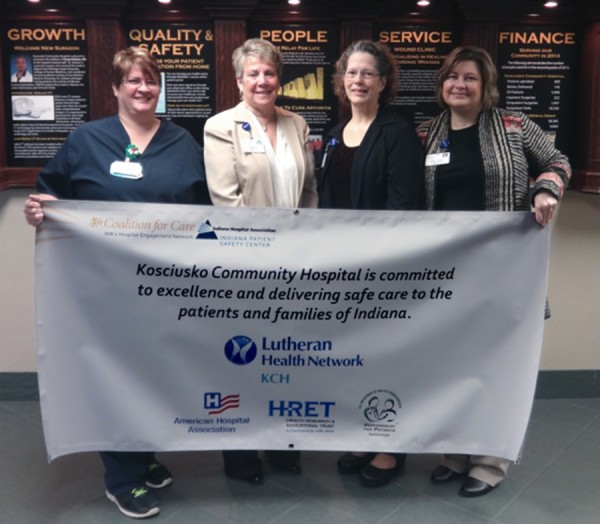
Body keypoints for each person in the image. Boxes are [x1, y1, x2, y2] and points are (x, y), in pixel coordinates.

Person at [23, 47, 210, 519]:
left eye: (150, 80)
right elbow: (51, 192)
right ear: (115, 88)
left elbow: (205, 211)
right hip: (102, 289)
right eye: (132, 80)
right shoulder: (87, 140)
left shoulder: (183, 142)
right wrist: (37, 208)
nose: (143, 88)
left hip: (166, 289)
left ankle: (141, 456)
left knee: (153, 373)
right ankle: (122, 477)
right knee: (115, 376)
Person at [416, 45, 571, 497]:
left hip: (503, 272)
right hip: (447, 274)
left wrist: (546, 190)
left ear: (486, 87)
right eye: (452, 77)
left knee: (496, 366)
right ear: (441, 83)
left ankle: (489, 461)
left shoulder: (514, 126)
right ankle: (454, 452)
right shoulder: (428, 131)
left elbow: (558, 160)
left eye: (470, 78)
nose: (459, 85)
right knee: (452, 367)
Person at [203, 38, 317, 484]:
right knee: (244, 360)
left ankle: (282, 443)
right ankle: (241, 454)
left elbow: (308, 190)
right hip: (246, 267)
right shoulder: (220, 126)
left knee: (286, 360)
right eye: (254, 73)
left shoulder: (297, 123)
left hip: (296, 264)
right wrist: (260, 255)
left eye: (269, 73)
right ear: (239, 80)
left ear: (279, 79)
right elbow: (225, 202)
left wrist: (306, 241)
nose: (263, 81)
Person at [319, 40, 423, 487]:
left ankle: (391, 446)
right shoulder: (332, 131)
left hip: (382, 269)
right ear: (341, 80)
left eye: (368, 74)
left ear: (383, 82)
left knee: (388, 358)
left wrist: (376, 260)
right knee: (355, 359)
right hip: (339, 267)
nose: (358, 81)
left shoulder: (396, 132)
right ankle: (364, 433)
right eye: (351, 73)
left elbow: (405, 205)